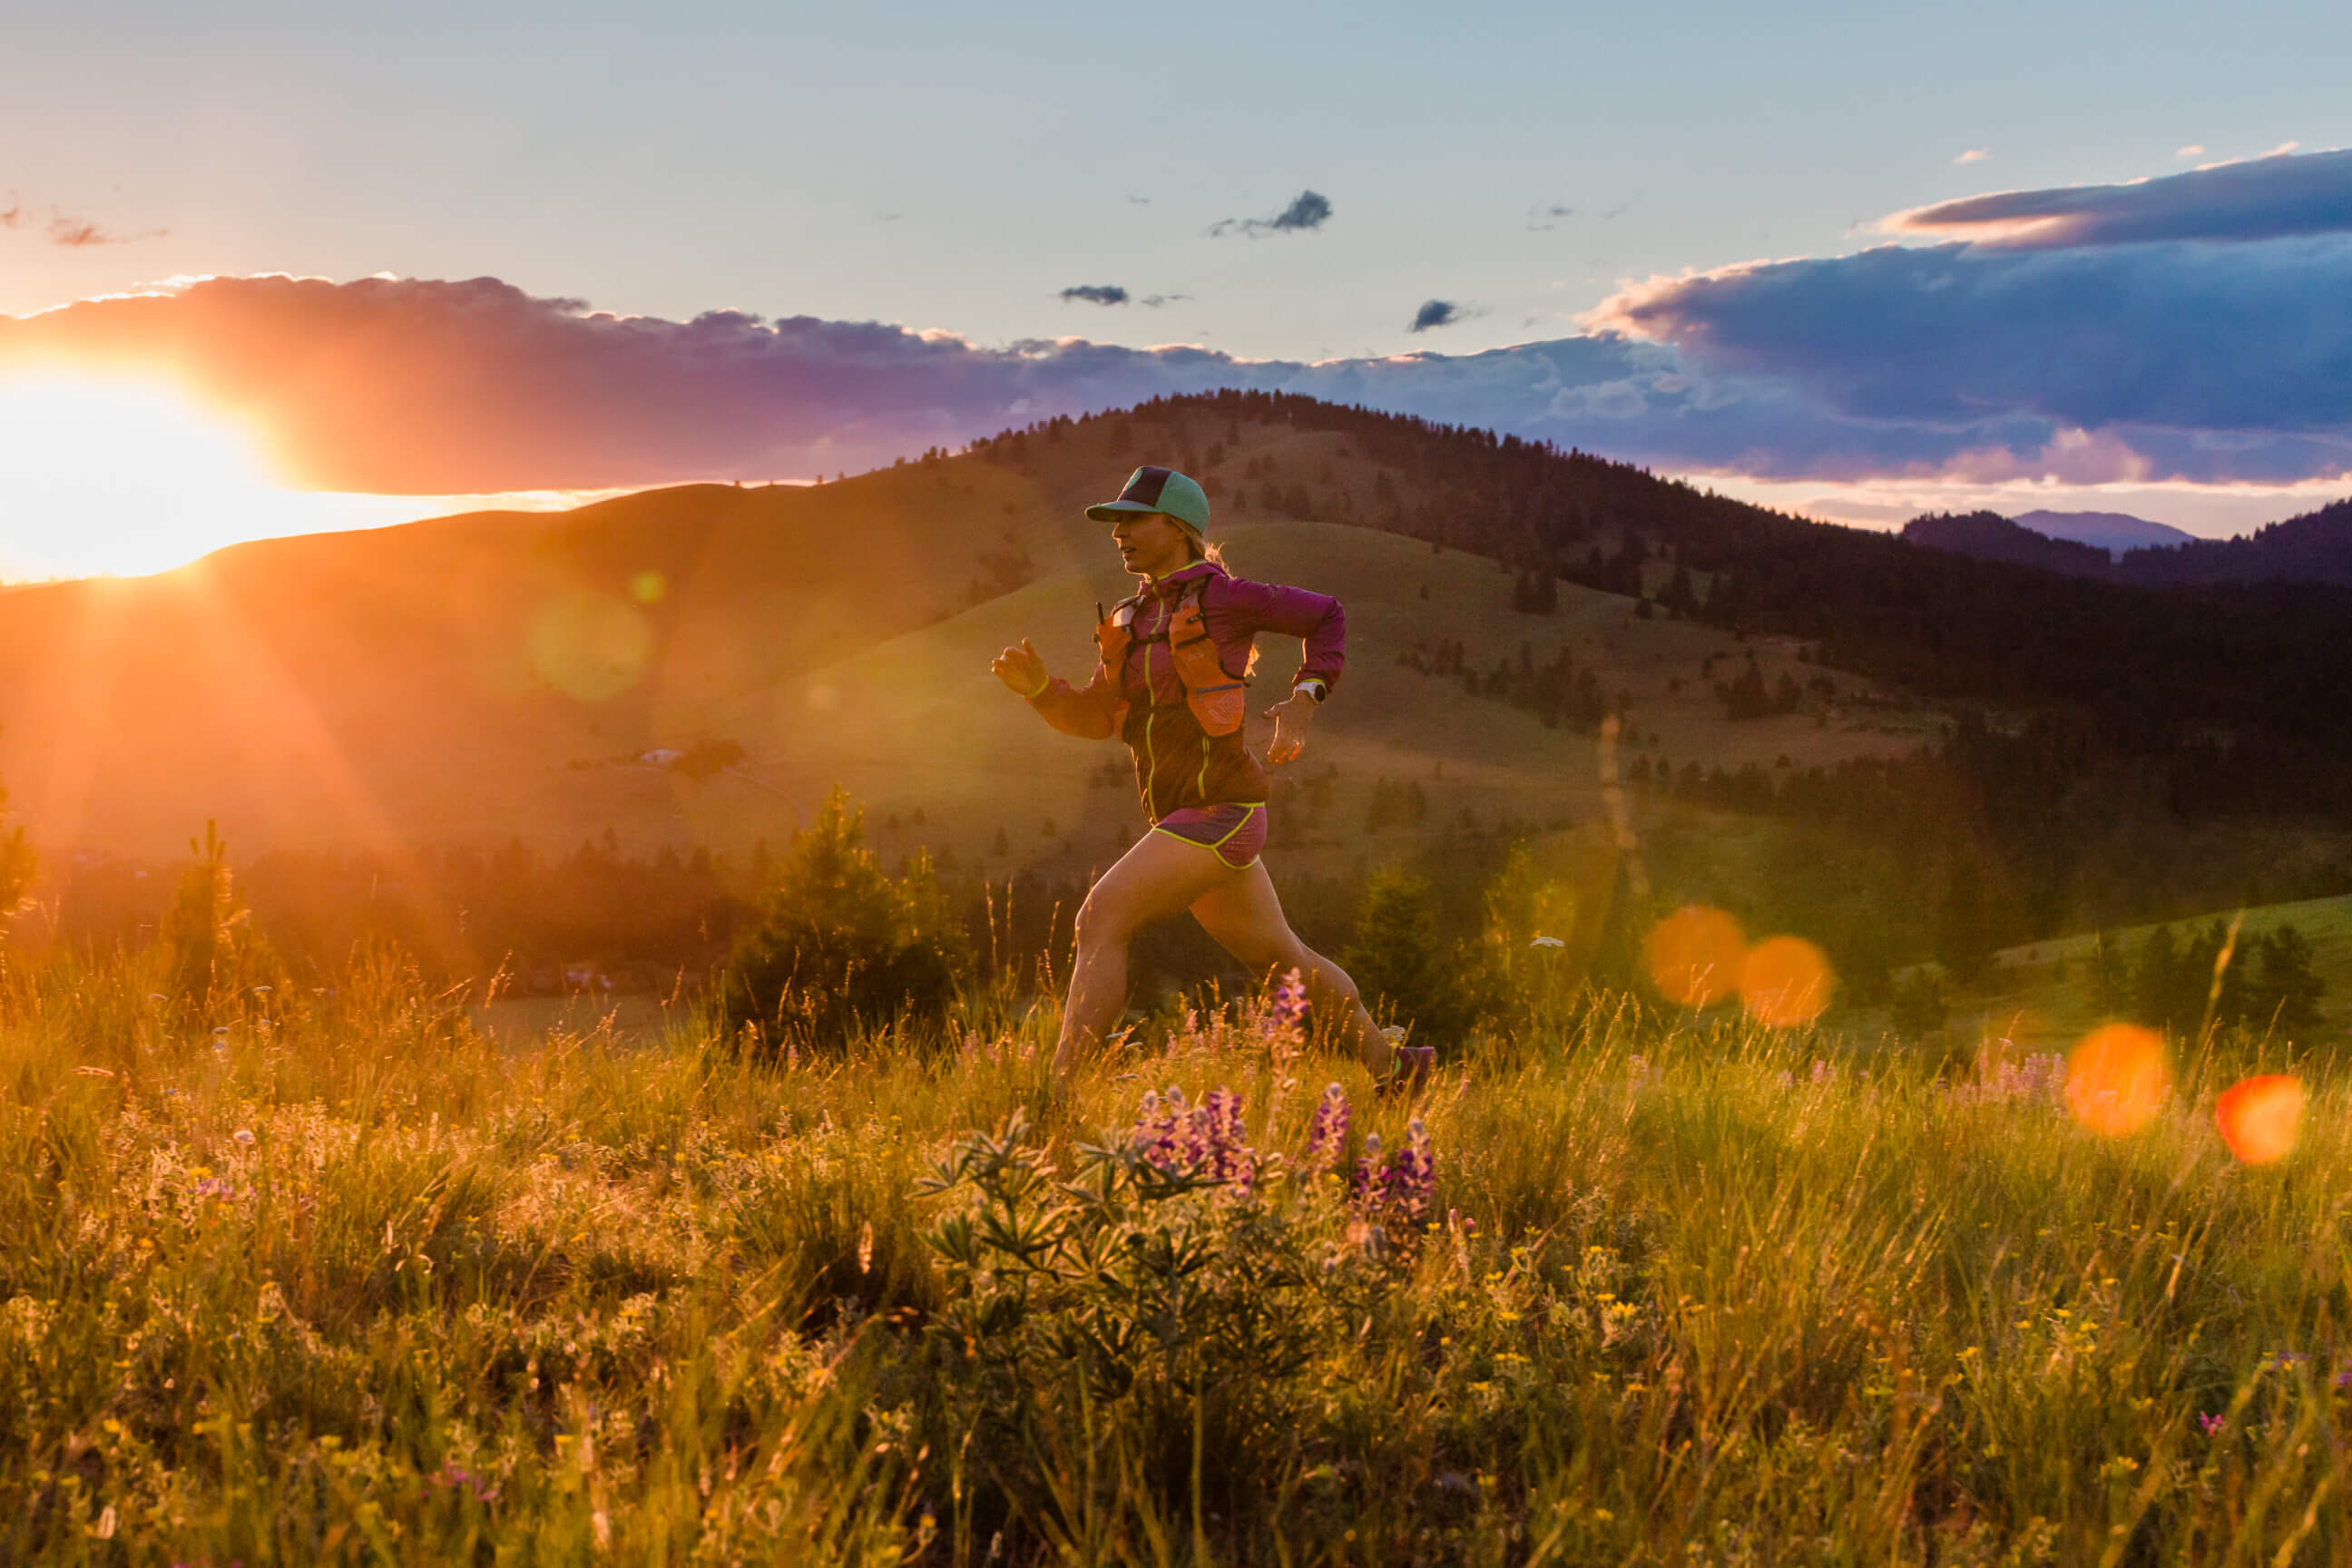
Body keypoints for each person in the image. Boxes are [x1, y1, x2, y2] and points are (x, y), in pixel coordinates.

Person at [988, 465, 1436, 1094]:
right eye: (1113, 522)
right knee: (1285, 964)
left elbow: (1327, 616)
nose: (1118, 533)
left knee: (1101, 917)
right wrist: (1040, 690)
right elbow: (1098, 717)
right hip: (1181, 819)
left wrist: (1306, 698)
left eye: (1132, 519)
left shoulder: (1226, 598)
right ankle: (1396, 1069)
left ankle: (1054, 1097)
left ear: (1177, 526)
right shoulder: (1127, 619)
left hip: (1222, 810)